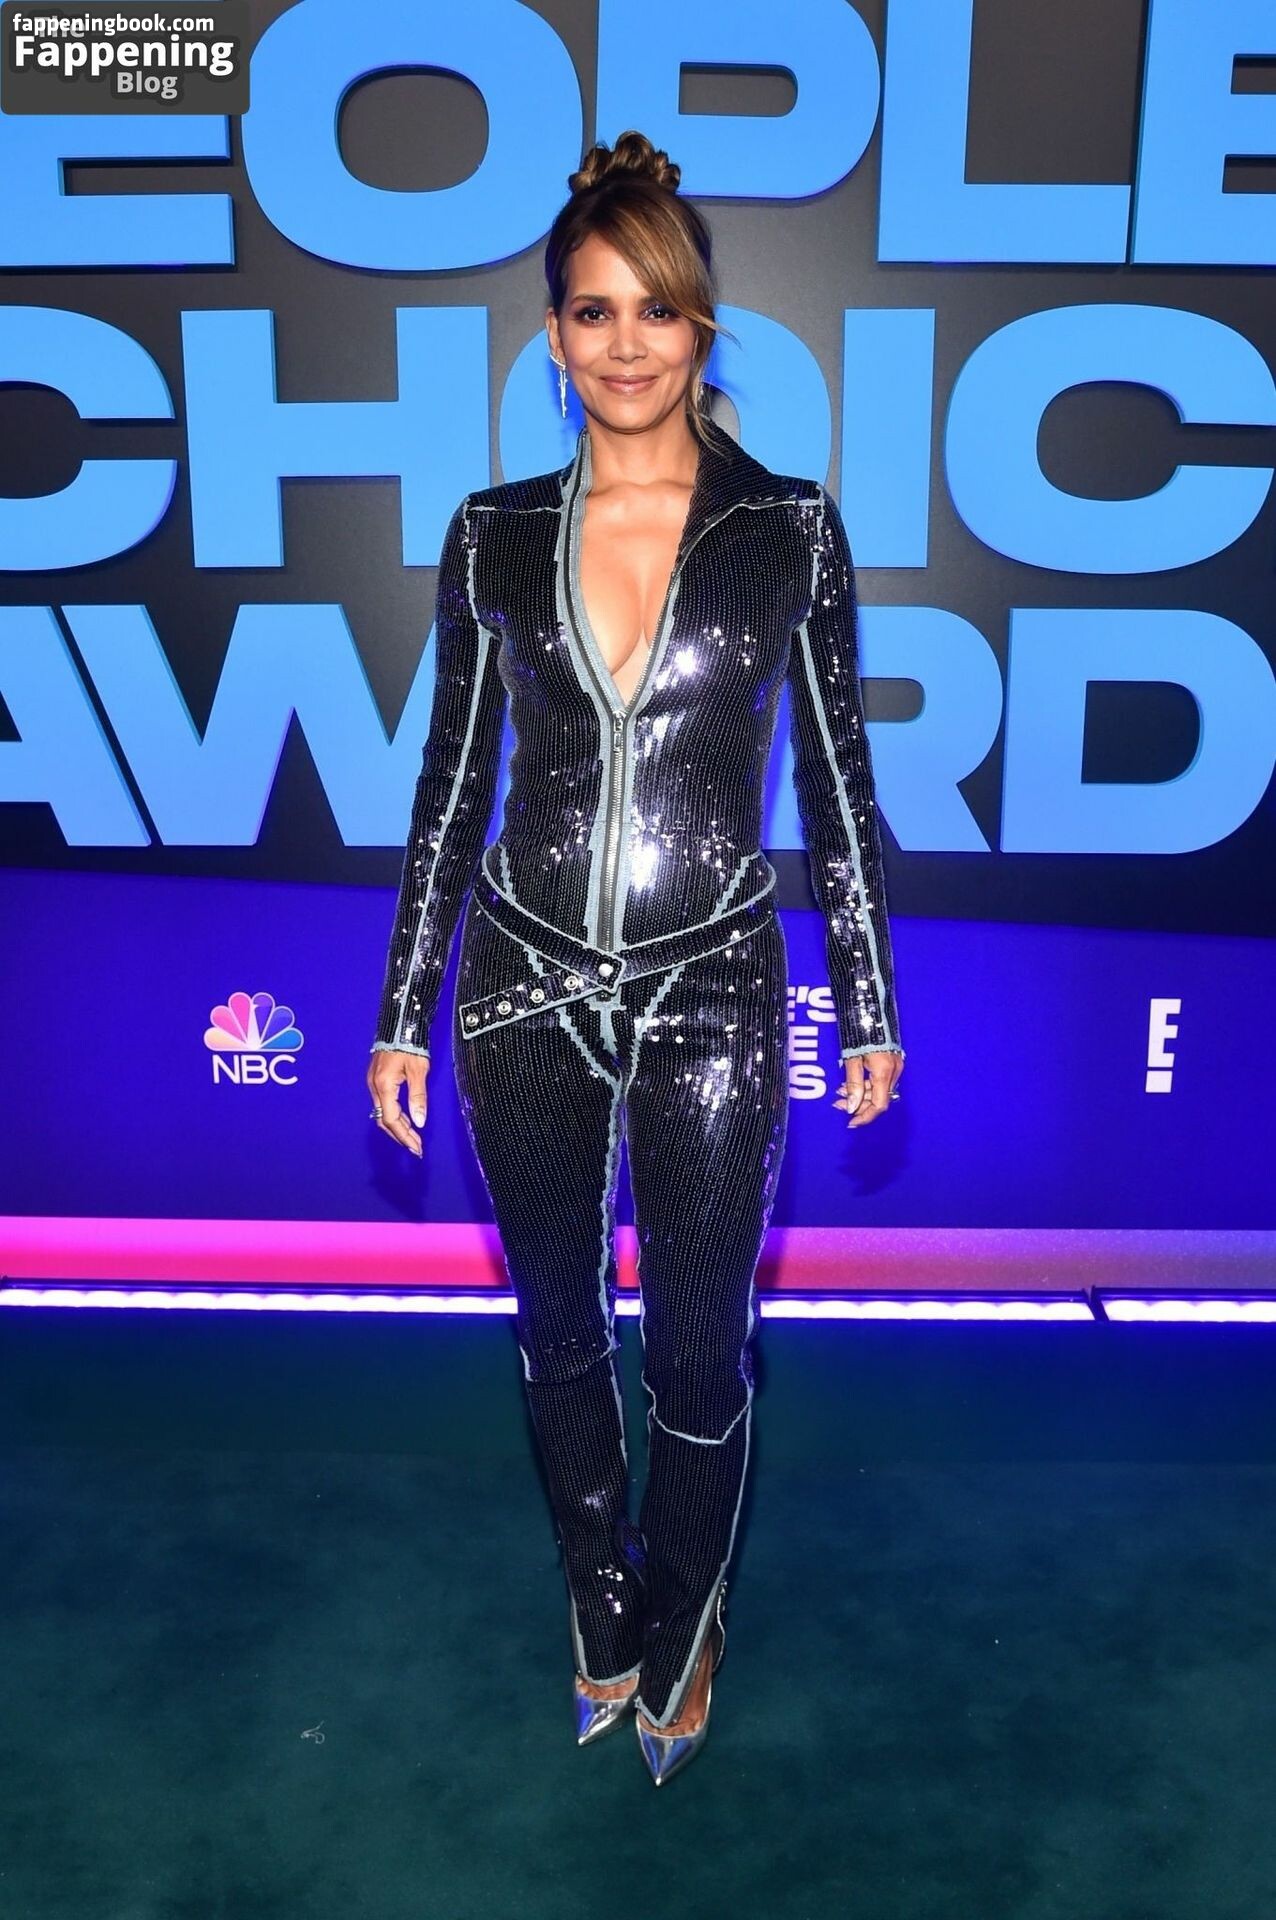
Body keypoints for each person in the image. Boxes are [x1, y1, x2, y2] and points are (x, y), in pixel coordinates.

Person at [366, 129, 904, 1786]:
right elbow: (450, 789)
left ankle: (684, 1618)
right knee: (553, 1334)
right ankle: (599, 1595)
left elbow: (839, 782)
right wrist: (400, 1011)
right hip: (519, 985)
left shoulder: (789, 528)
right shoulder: (489, 536)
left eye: (655, 311)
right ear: (552, 337)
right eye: (592, 312)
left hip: (717, 991)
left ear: (701, 328)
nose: (625, 345)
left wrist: (868, 1001)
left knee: (695, 1349)